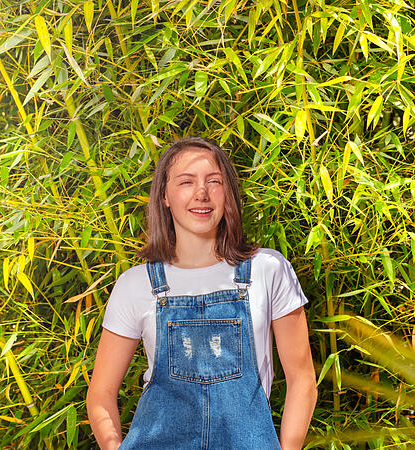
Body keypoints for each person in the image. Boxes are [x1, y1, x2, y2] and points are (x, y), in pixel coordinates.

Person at [87, 137, 317, 449]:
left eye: (214, 181)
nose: (202, 193)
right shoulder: (135, 284)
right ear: (165, 196)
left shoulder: (268, 269)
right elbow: (101, 393)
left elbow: (302, 380)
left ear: (228, 193)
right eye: (186, 182)